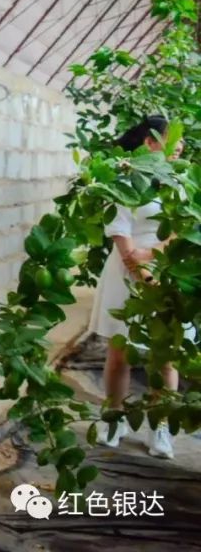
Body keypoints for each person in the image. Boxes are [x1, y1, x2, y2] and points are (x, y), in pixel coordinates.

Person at [91, 115, 187, 459]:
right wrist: (139, 267)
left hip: (168, 268)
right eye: (173, 137)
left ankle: (160, 427)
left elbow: (188, 225)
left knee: (166, 355)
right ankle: (113, 418)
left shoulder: (180, 181)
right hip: (124, 269)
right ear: (150, 142)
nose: (180, 145)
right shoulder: (125, 179)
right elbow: (120, 230)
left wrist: (155, 254)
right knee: (120, 352)